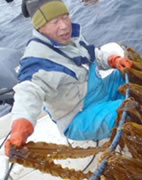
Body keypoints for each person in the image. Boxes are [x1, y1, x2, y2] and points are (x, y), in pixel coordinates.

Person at [5, 0, 133, 156]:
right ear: (40, 27)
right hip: (79, 116)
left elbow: (94, 55)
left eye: (65, 16)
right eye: (54, 21)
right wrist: (20, 128)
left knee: (134, 74)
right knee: (131, 112)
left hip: (99, 91)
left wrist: (113, 60)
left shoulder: (70, 37)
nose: (64, 25)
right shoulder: (35, 62)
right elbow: (28, 92)